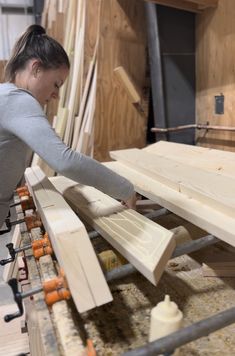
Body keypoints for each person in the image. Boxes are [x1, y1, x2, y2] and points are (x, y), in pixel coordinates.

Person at [0, 24, 137, 228]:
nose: (57, 95)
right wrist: (125, 189)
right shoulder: (19, 101)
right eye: (56, 84)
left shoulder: (6, 94)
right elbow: (65, 161)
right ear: (36, 68)